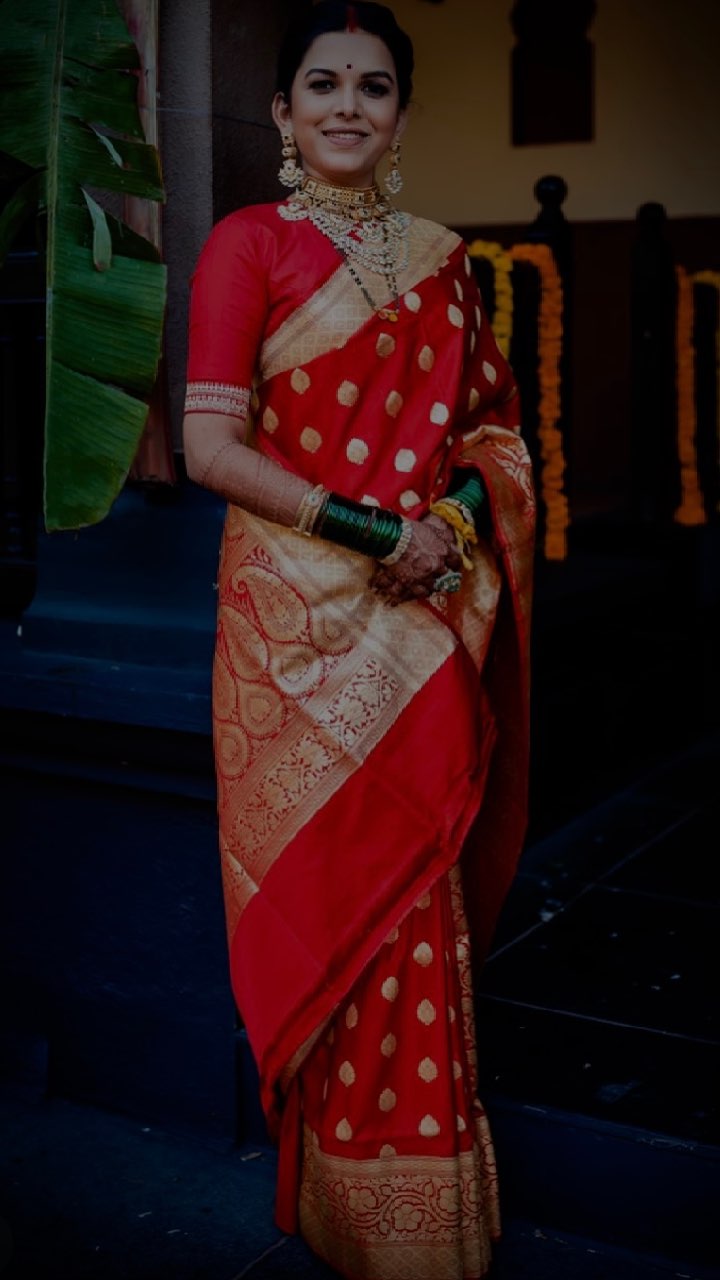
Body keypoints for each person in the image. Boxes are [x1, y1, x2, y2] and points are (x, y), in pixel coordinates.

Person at [183, 4, 534, 1276]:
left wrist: (449, 522)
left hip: (416, 623)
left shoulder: (443, 261)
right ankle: (344, 1198)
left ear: (400, 113)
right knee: (336, 898)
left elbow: (493, 437)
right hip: (297, 628)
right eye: (322, 85)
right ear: (282, 111)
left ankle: (416, 1211)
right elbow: (211, 445)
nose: (347, 106)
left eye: (373, 87)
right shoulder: (248, 244)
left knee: (414, 885)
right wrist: (376, 529)